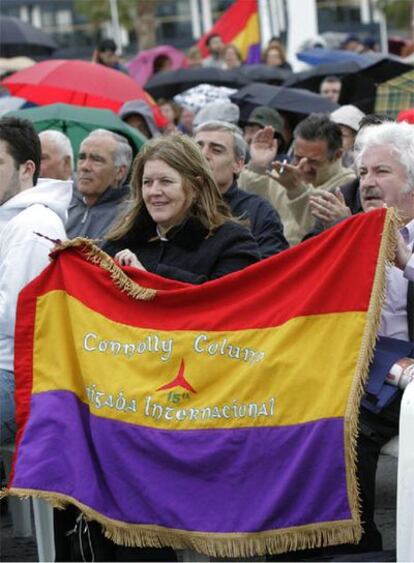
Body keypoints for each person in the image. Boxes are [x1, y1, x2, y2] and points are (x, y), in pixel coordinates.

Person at [0, 116, 72, 444]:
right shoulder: (11, 218)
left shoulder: (34, 225)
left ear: (27, 169)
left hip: (15, 378)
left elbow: (18, 316)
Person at [104, 134, 260, 284]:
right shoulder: (123, 239)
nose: (154, 192)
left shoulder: (232, 243)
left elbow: (222, 303)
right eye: (147, 182)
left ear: (195, 186)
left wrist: (148, 279)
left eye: (166, 181)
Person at [194, 120, 289, 258]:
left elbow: (271, 270)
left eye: (216, 150)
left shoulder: (259, 211)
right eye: (197, 148)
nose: (203, 155)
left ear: (238, 164)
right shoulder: (173, 204)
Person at [66, 129, 132, 242]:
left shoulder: (129, 219)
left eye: (96, 160)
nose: (84, 167)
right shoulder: (63, 203)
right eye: (82, 157)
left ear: (120, 172)